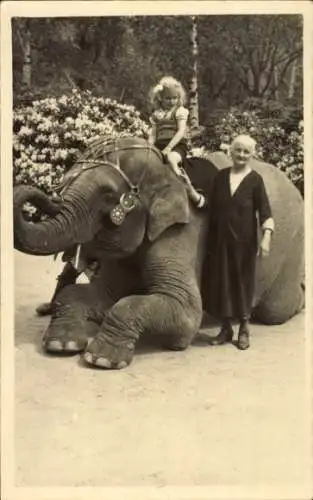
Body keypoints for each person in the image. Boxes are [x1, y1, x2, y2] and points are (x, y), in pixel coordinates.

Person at [205, 134, 274, 350]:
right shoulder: (220, 176)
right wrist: (192, 193)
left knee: (243, 283)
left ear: (252, 155)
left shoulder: (255, 180)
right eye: (238, 150)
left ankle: (244, 328)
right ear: (231, 152)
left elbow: (265, 211)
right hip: (220, 241)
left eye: (246, 151)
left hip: (245, 242)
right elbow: (209, 205)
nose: (241, 155)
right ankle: (226, 328)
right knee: (223, 282)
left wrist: (266, 237)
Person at [148, 75, 205, 208]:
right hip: (159, 146)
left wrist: (169, 148)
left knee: (172, 159)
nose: (171, 101)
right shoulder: (157, 114)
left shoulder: (180, 111)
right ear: (160, 98)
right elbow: (153, 134)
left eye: (175, 98)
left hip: (177, 145)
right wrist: (149, 146)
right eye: (168, 98)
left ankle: (185, 186)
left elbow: (180, 131)